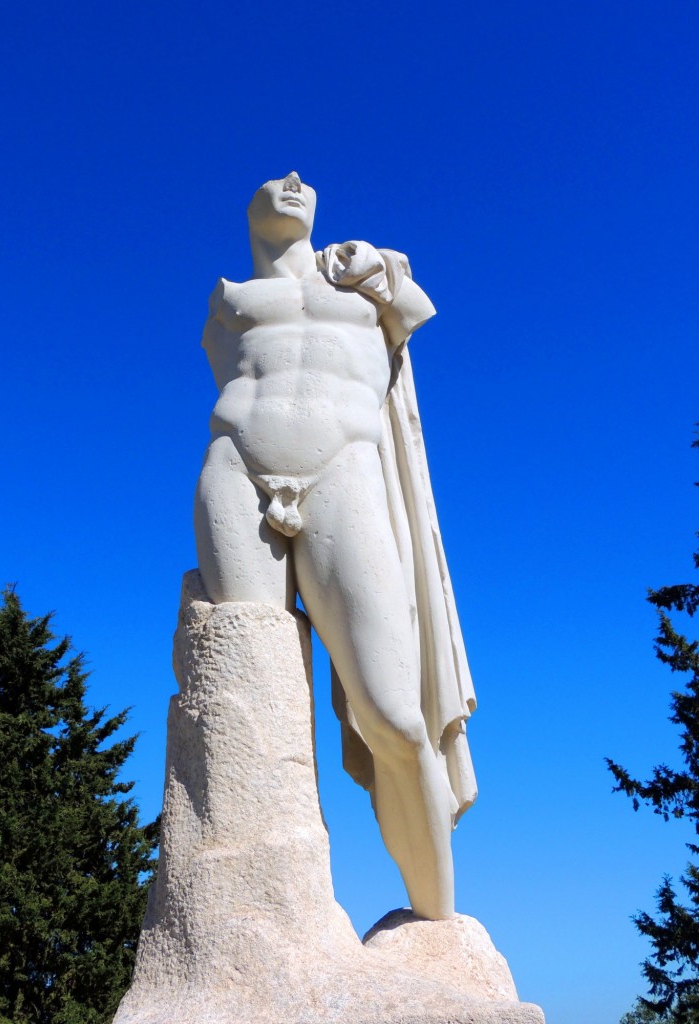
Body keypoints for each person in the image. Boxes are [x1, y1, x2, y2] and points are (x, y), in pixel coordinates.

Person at [194, 171, 476, 920]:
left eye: (303, 181)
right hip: (236, 466)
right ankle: (261, 917)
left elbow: (415, 313)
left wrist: (377, 270)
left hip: (343, 468)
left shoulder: (362, 275)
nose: (291, 181)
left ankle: (436, 927)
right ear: (244, 207)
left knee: (391, 714)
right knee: (249, 683)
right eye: (271, 180)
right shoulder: (227, 299)